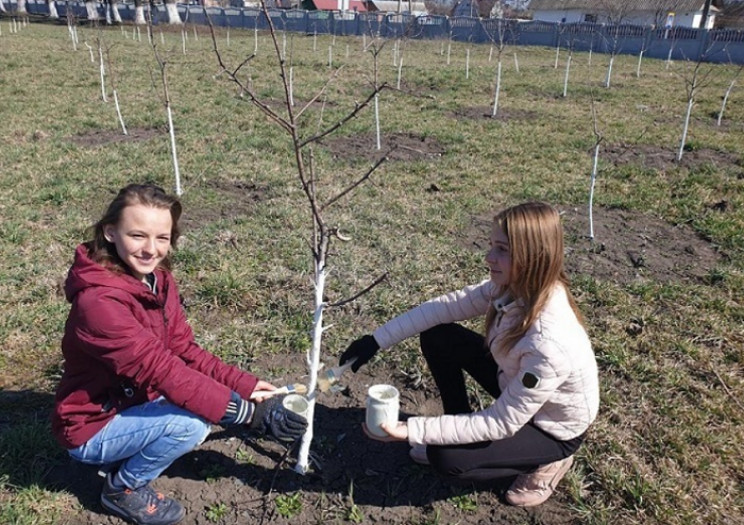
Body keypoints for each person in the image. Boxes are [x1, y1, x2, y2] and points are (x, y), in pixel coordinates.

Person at [52, 184, 308, 525]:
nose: (150, 249)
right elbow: (163, 371)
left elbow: (183, 350)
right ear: (110, 232)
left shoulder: (156, 280)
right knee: (191, 423)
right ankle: (122, 488)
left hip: (130, 400)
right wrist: (247, 414)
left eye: (162, 237)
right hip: (89, 425)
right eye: (138, 235)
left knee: (213, 398)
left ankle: (126, 451)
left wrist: (247, 386)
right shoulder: (98, 304)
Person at [339, 201, 599, 507]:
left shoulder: (549, 342)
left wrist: (412, 430)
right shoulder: (509, 288)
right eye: (492, 245)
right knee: (439, 335)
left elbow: (502, 422)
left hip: (550, 427)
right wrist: (376, 340)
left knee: (446, 458)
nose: (489, 257)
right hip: (513, 382)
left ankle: (545, 464)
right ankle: (456, 424)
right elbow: (446, 307)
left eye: (502, 249)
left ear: (533, 257)